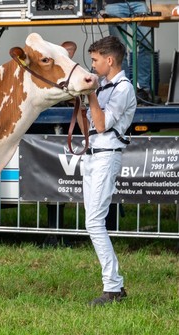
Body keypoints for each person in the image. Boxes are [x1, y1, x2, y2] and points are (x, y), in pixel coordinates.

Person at [78, 36, 136, 306]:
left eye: (95, 60)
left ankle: (113, 287)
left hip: (106, 157)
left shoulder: (123, 88)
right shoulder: (102, 87)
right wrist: (80, 100)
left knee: (94, 222)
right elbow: (86, 128)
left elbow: (101, 126)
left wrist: (89, 93)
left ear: (109, 60)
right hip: (91, 156)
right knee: (93, 222)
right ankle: (114, 285)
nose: (92, 66)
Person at [104, 0, 152, 102]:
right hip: (114, 4)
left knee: (147, 44)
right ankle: (123, 88)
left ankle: (143, 89)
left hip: (138, 3)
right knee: (119, 49)